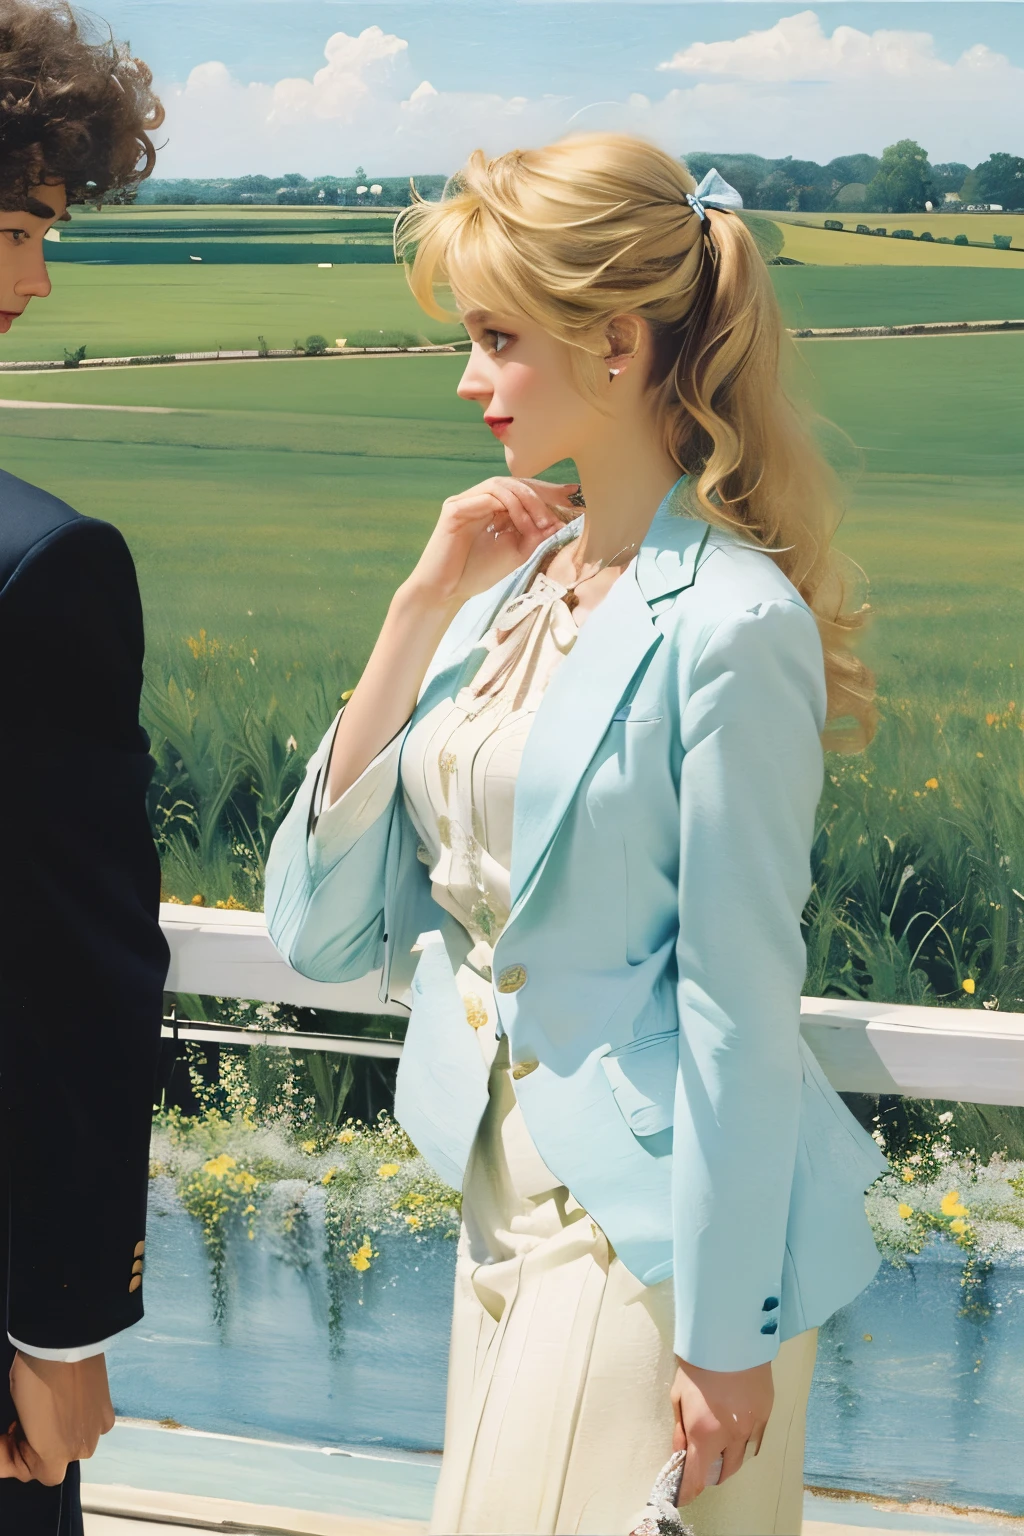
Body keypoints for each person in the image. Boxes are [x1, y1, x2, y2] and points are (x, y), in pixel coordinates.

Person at [265, 133, 888, 1536]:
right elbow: (313, 928)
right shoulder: (512, 594)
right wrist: (416, 608)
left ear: (616, 341)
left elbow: (737, 994)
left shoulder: (733, 627)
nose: (467, 376)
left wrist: (725, 1331)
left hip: (649, 1233)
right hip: (497, 1208)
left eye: (495, 336)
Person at [0, 4, 166, 1532]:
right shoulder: (41, 564)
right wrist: (60, 1323)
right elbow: (74, 978)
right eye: (13, 227)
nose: (38, 278)